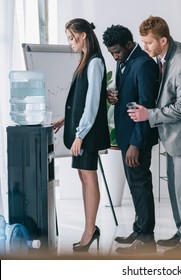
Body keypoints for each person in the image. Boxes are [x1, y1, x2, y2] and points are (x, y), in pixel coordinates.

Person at [129, 16, 181, 255]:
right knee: (175, 189)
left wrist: (149, 115)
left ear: (163, 39)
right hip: (173, 137)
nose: (144, 48)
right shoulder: (166, 56)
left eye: (148, 43)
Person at [52, 18, 110, 252]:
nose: (69, 43)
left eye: (71, 37)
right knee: (84, 177)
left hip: (88, 134)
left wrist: (80, 134)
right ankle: (90, 229)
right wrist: (65, 119)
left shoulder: (95, 62)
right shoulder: (85, 61)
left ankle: (90, 231)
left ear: (83, 35)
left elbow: (93, 102)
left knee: (89, 176)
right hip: (81, 131)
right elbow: (81, 100)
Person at [102, 25, 159, 254]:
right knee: (136, 187)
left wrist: (136, 143)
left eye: (117, 51)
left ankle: (147, 240)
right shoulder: (123, 61)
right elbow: (129, 94)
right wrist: (115, 97)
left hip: (138, 138)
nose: (114, 56)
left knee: (141, 186)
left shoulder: (144, 64)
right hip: (127, 135)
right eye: (111, 53)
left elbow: (147, 105)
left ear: (129, 44)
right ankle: (139, 229)